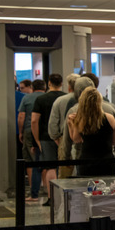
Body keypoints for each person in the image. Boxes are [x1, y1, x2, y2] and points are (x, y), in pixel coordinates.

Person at [67, 87, 115, 176]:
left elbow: (76, 140)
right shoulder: (110, 118)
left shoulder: (81, 120)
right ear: (99, 101)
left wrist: (71, 124)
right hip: (107, 161)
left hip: (87, 161)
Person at [31, 73, 66, 205]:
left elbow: (34, 120)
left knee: (50, 168)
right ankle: (65, 198)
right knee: (65, 167)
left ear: (49, 83)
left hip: (46, 137)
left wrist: (37, 140)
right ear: (62, 83)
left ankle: (52, 198)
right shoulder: (66, 98)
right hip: (64, 137)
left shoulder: (41, 99)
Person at [18, 79, 46, 202]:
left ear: (32, 87)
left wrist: (21, 132)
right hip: (46, 131)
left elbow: (21, 116)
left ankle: (34, 190)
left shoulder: (27, 98)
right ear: (44, 87)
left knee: (31, 161)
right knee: (46, 161)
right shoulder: (47, 97)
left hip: (29, 130)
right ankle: (46, 189)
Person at [48, 73, 80, 178]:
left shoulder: (60, 100)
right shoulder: (85, 100)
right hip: (83, 139)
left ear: (69, 86)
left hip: (64, 138)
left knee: (65, 175)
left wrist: (57, 138)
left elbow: (53, 123)